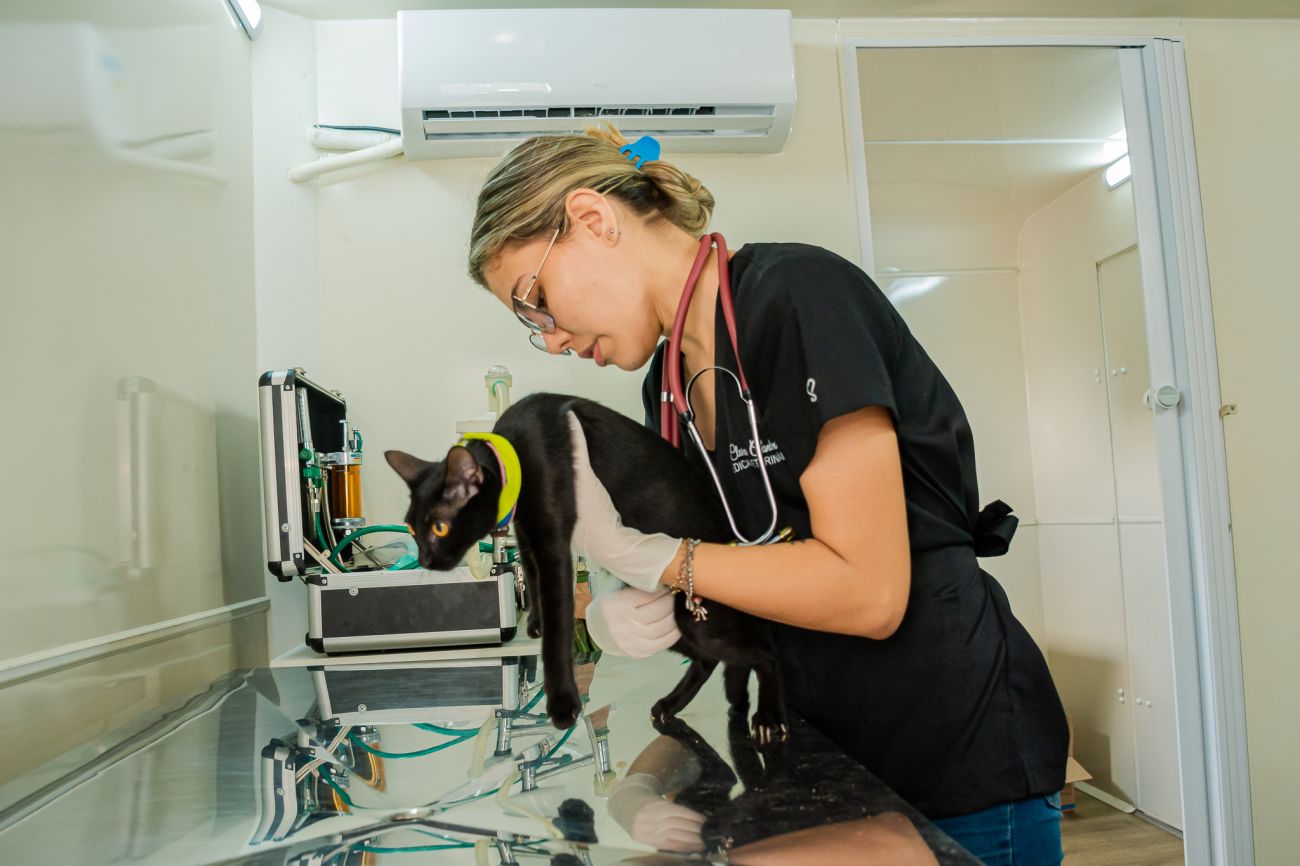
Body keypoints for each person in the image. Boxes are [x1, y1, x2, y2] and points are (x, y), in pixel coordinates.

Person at [466, 124, 1068, 865]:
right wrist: (640, 773)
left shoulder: (799, 297)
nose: (553, 339)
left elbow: (868, 593)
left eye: (535, 302)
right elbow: (741, 590)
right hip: (830, 766)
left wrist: (657, 558)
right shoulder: (665, 388)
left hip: (954, 755)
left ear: (593, 219)